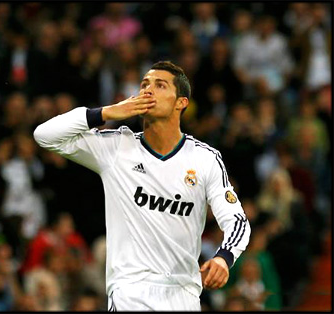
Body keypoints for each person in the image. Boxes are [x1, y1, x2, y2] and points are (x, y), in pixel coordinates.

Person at [34, 61, 251, 311]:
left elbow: (237, 221)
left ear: (181, 102)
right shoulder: (117, 148)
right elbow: (45, 135)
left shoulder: (204, 159)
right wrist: (105, 113)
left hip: (183, 293)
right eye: (144, 85)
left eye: (160, 86)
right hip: (130, 291)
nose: (148, 90)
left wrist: (225, 258)